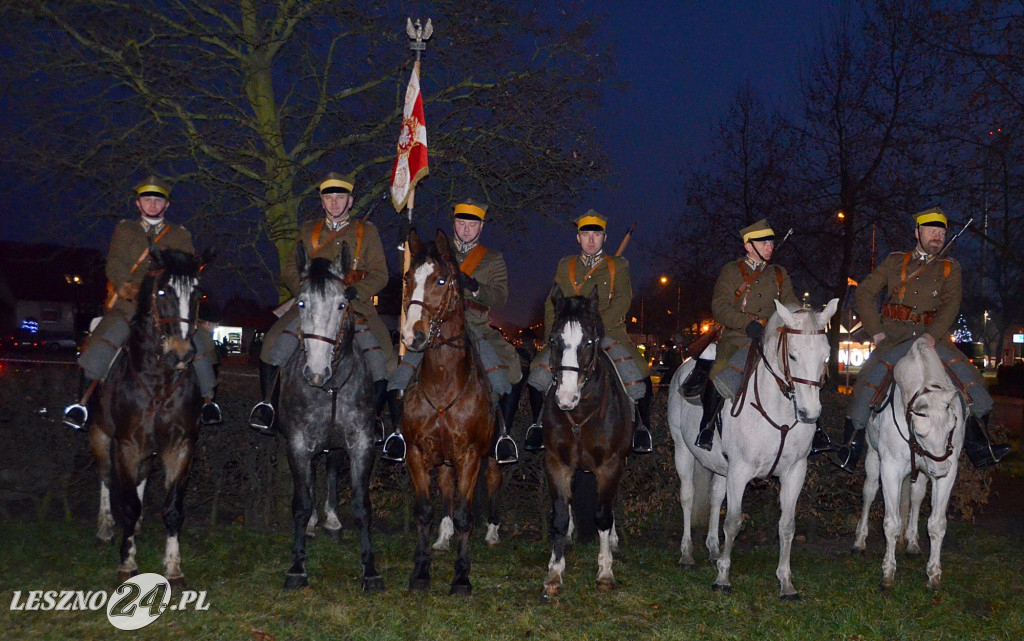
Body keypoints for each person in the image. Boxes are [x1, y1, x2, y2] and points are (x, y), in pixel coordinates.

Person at [831, 207, 1011, 471]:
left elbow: (951, 306)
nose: (938, 236)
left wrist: (930, 335)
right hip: (894, 339)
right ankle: (851, 448)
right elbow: (864, 293)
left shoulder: (950, 268)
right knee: (868, 382)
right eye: (931, 231)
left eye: (942, 232)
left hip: (933, 340)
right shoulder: (894, 262)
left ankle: (979, 446)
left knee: (969, 378)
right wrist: (877, 331)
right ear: (917, 232)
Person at [63, 176, 222, 429]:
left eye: (158, 200)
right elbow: (114, 263)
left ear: (166, 205)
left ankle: (208, 400)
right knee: (102, 340)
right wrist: (126, 286)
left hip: (168, 303)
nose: (152, 204)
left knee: (201, 343)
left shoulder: (180, 234)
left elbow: (187, 268)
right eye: (147, 199)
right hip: (131, 302)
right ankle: (81, 405)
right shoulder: (125, 229)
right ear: (138, 204)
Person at [248, 172, 397, 432]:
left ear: (350, 201)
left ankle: (373, 420)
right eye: (329, 197)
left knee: (387, 359)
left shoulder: (367, 233)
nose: (335, 203)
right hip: (313, 305)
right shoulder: (308, 231)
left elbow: (381, 274)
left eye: (341, 197)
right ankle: (268, 407)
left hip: (354, 305)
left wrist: (356, 291)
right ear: (322, 201)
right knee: (271, 344)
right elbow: (289, 270)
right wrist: (305, 291)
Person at [384, 198, 520, 464]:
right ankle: (398, 433)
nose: (466, 228)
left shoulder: (492, 259)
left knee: (512, 368)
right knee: (398, 374)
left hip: (476, 325)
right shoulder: (436, 252)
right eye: (461, 222)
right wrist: (404, 243)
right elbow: (416, 274)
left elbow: (500, 298)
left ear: (481, 227)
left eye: (473, 223)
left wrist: (477, 287)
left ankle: (502, 436)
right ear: (454, 224)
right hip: (436, 326)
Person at [684, 219, 831, 452]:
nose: (769, 246)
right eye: (763, 242)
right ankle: (707, 427)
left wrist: (801, 318)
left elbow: (790, 303)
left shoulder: (779, 273)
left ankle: (817, 432)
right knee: (720, 369)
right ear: (748, 246)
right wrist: (747, 324)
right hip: (738, 337)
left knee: (802, 372)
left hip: (773, 338)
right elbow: (720, 306)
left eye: (771, 242)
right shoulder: (732, 271)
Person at [524, 210, 653, 453]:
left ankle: (642, 429)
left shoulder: (618, 265)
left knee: (639, 372)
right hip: (569, 337)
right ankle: (537, 425)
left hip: (608, 332)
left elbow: (623, 300)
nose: (591, 240)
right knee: (536, 375)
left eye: (596, 234)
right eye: (586, 234)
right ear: (578, 238)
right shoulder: (565, 265)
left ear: (605, 238)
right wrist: (553, 337)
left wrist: (595, 326)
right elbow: (552, 302)